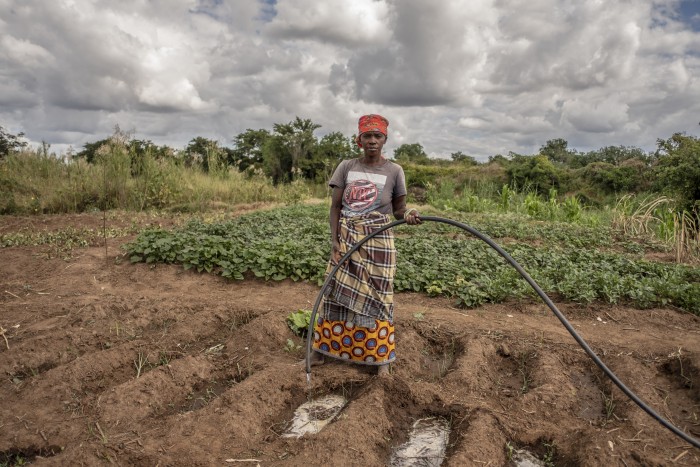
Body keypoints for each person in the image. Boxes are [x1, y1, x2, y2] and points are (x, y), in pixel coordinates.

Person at [310, 114, 421, 376]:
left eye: (377, 136)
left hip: (378, 242)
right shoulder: (347, 167)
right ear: (359, 139)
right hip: (347, 237)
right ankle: (322, 351)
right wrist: (334, 241)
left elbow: (399, 210)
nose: (372, 141)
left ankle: (378, 357)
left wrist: (409, 214)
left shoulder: (395, 171)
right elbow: (336, 207)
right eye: (367, 136)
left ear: (385, 139)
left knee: (380, 297)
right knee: (333, 293)